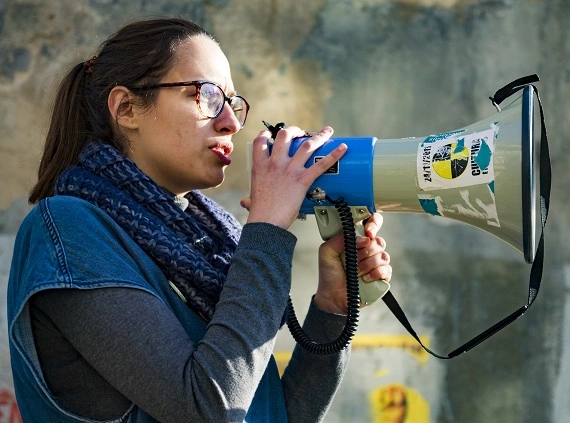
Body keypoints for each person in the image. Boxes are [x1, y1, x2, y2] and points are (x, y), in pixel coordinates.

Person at [7, 17, 392, 423]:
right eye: (207, 96)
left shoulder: (200, 242)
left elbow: (267, 414)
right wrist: (267, 229)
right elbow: (207, 409)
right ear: (126, 108)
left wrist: (333, 305)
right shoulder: (69, 229)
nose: (231, 122)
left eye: (233, 102)